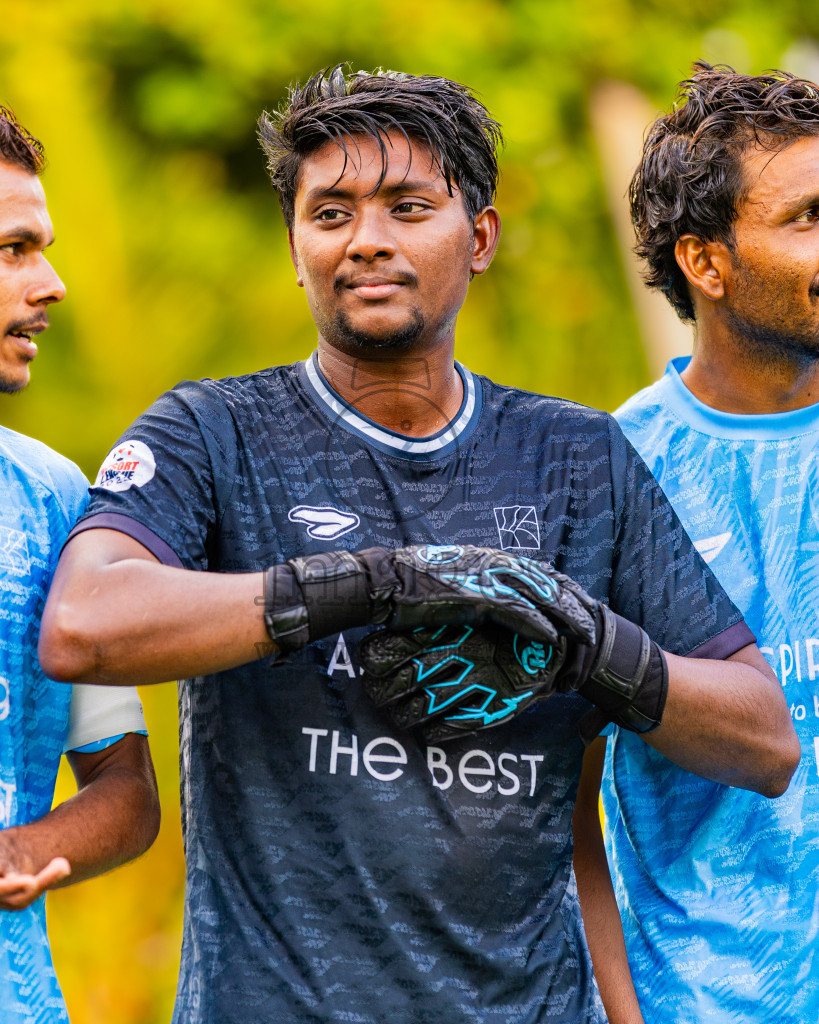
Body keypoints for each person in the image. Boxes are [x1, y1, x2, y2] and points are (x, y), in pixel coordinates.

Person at [38, 68, 798, 1024]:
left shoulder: (577, 458)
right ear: (295, 248)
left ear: (478, 238)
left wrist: (588, 646)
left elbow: (763, 741)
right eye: (331, 213)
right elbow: (85, 622)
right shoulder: (214, 432)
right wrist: (370, 584)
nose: (366, 239)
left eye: (408, 207)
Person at [576, 63, 819, 1024]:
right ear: (705, 264)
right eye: (806, 217)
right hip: (703, 1000)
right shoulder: (610, 472)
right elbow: (563, 812)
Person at [0, 106, 160, 1022]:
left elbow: (125, 789)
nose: (51, 284)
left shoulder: (54, 498)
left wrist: (21, 853)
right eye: (13, 250)